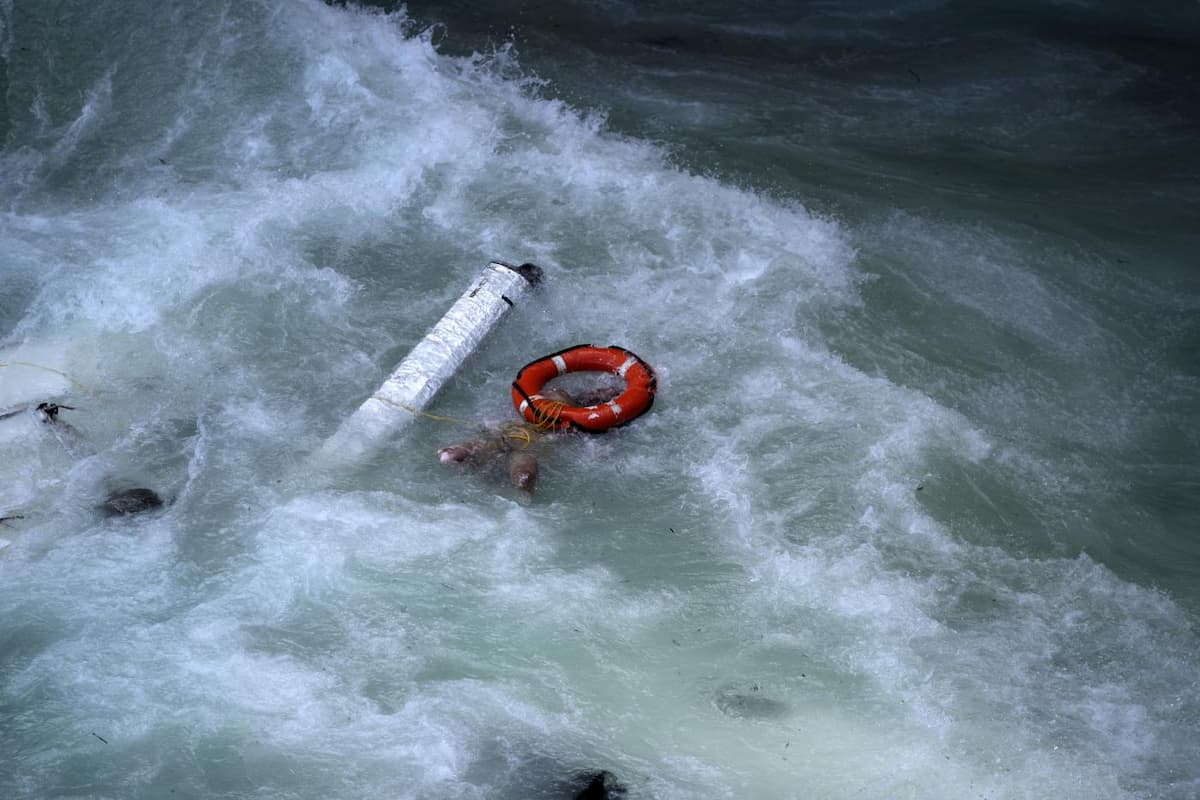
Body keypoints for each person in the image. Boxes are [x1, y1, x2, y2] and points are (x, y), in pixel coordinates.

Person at [437, 385, 619, 495]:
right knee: (491, 444)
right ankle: (460, 452)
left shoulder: (573, 421)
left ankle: (522, 478)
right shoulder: (569, 420)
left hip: (524, 439)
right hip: (515, 435)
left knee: (518, 460)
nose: (548, 395)